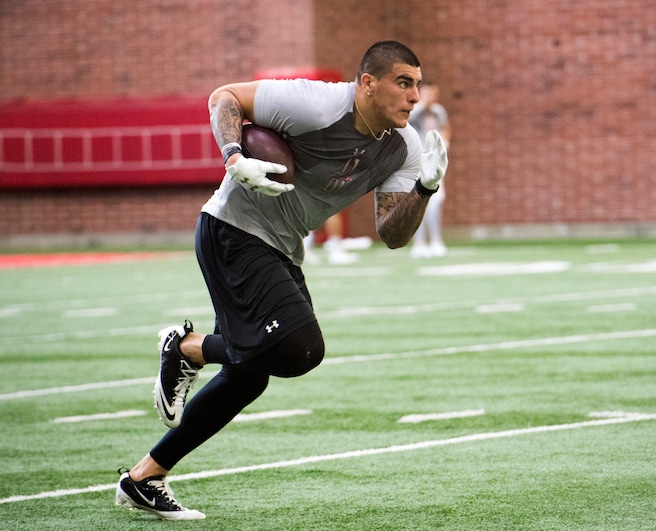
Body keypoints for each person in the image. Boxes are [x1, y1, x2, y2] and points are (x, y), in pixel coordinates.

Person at [115, 40, 448, 521]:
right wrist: (233, 156)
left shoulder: (404, 146)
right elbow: (224, 97)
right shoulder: (315, 103)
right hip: (234, 228)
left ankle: (144, 477)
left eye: (417, 84)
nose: (414, 96)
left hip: (280, 244)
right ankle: (187, 348)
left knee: (248, 378)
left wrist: (425, 188)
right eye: (403, 82)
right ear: (367, 83)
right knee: (299, 350)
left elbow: (392, 235)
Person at [409, 81, 451, 258]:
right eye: (427, 93)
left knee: (434, 201)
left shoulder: (438, 111)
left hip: (434, 161)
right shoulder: (413, 110)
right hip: (417, 161)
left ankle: (436, 240)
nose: (430, 97)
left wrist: (445, 144)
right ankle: (418, 242)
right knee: (417, 200)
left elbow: (446, 127)